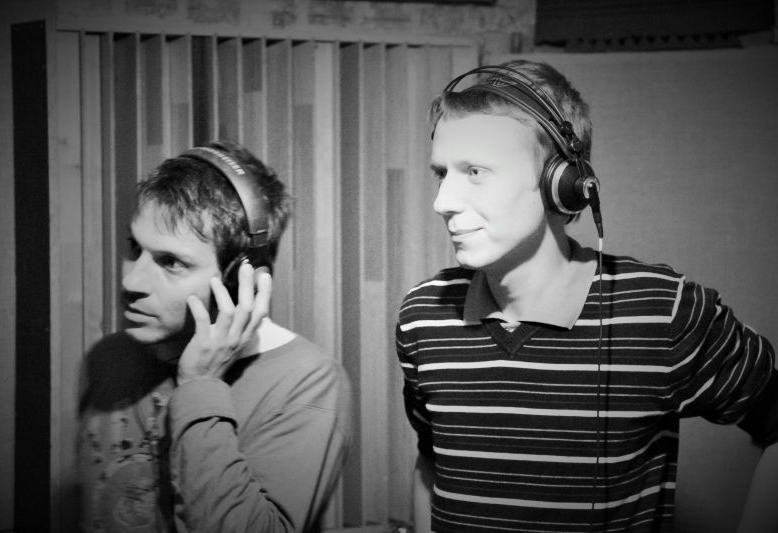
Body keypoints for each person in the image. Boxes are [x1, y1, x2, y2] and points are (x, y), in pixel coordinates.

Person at [395, 60, 778, 532]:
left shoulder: (662, 312)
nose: (443, 202)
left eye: (475, 171)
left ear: (563, 184)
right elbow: (431, 462)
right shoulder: (423, 316)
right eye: (441, 173)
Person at [78, 140, 352, 532]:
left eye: (171, 262)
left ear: (238, 280)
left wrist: (200, 385)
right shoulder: (108, 356)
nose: (131, 281)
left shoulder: (306, 381)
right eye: (134, 247)